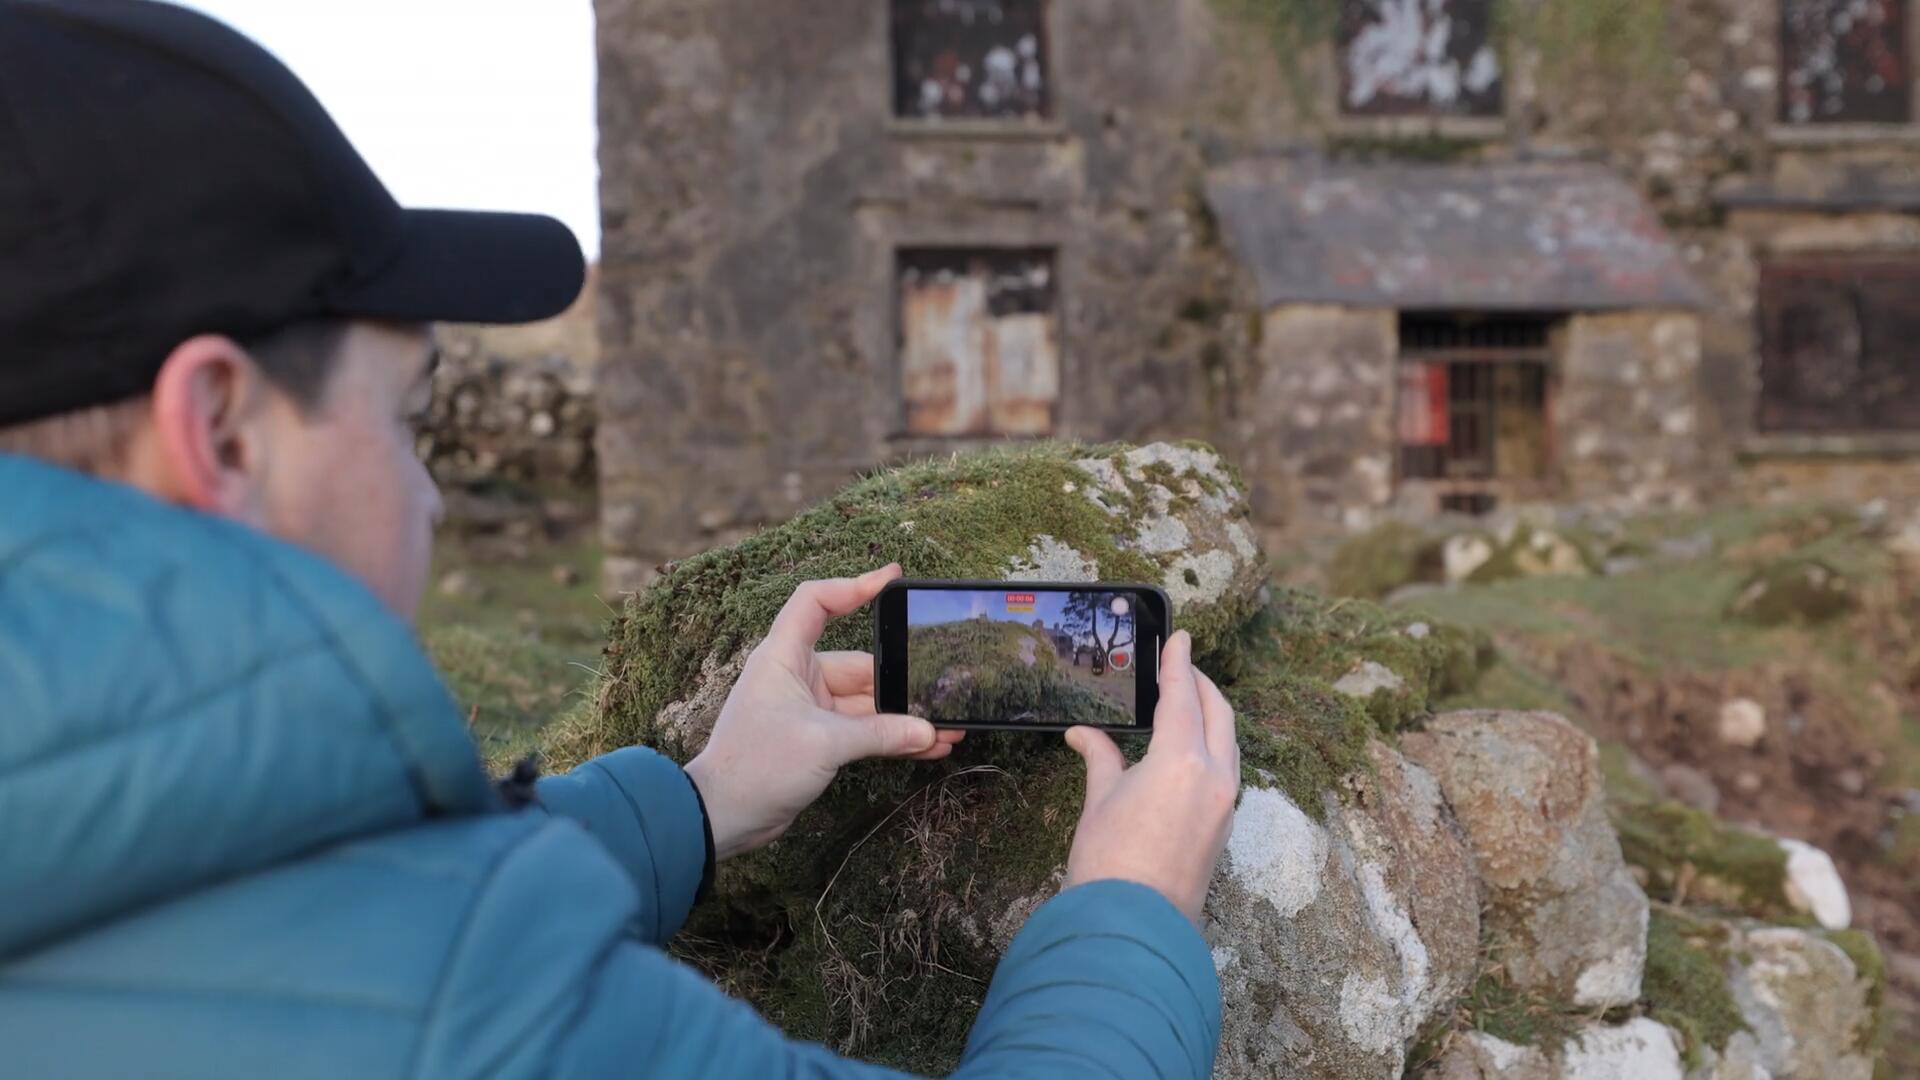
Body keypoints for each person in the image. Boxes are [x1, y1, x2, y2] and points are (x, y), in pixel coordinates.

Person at [0, 2, 1241, 1076]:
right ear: (221, 430)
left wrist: (697, 801)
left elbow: (239, 905)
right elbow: (382, 959)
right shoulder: (474, 1008)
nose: (428, 491)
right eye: (405, 415)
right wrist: (1129, 913)